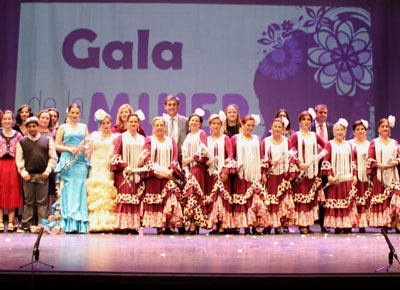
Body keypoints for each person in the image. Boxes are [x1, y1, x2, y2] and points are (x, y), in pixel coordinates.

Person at [141, 116, 184, 234]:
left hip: (168, 175)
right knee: (157, 201)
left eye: (161, 125)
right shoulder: (149, 140)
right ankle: (159, 226)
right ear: (153, 127)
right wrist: (157, 172)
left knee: (171, 198)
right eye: (157, 125)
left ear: (165, 127)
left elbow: (175, 156)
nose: (159, 127)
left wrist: (171, 171)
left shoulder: (171, 140)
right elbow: (147, 157)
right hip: (154, 176)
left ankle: (169, 225)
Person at [15, 116, 58, 233]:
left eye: (34, 126)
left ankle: (41, 225)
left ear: (38, 127)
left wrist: (48, 171)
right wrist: (22, 172)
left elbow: (53, 157)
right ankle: (26, 225)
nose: (32, 129)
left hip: (42, 175)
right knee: (28, 201)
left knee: (42, 202)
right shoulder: (22, 142)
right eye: (29, 127)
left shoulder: (47, 140)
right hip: (28, 175)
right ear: (26, 128)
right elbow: (19, 159)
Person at [54, 103, 90, 233]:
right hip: (68, 161)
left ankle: (80, 224)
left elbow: (88, 143)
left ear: (80, 113)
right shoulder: (63, 127)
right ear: (68, 113)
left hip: (80, 162)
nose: (75, 115)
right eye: (72, 113)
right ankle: (68, 223)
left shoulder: (84, 127)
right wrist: (69, 148)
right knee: (68, 191)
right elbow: (57, 145)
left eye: (77, 113)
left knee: (80, 190)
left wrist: (85, 147)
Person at [290, 110, 326, 234]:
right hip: (301, 173)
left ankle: (307, 223)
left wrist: (319, 157)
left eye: (308, 119)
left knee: (310, 199)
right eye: (304, 119)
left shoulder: (314, 136)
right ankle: (302, 224)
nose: (306, 122)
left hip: (312, 172)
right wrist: (300, 163)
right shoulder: (296, 136)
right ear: (299, 122)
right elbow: (290, 152)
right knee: (301, 199)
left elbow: (327, 147)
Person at [111, 112, 146, 234]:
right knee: (125, 198)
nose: (133, 124)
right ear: (127, 123)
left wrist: (142, 162)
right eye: (131, 121)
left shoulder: (142, 139)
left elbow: (146, 156)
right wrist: (125, 166)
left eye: (135, 122)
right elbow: (116, 155)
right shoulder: (121, 137)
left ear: (138, 123)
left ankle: (133, 225)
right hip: (125, 173)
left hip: (137, 173)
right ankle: (123, 225)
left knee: (135, 199)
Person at [321, 118, 358, 234]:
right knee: (336, 201)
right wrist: (329, 176)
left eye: (342, 130)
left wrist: (355, 176)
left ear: (345, 131)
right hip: (335, 180)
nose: (340, 132)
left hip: (347, 179)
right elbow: (326, 161)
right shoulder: (329, 144)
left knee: (347, 202)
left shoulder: (349, 145)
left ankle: (346, 224)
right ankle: (337, 225)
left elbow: (353, 161)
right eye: (337, 130)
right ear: (334, 131)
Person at [231, 115, 266, 235]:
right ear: (242, 124)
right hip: (242, 174)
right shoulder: (236, 138)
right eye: (248, 125)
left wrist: (264, 173)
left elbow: (262, 157)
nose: (250, 128)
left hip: (255, 174)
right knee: (243, 200)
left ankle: (255, 225)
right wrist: (236, 165)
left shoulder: (257, 139)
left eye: (252, 126)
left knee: (254, 201)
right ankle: (245, 225)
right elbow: (231, 156)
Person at [261, 118, 295, 234]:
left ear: (283, 129)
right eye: (275, 126)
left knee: (281, 201)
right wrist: (266, 168)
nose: (276, 129)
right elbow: (262, 159)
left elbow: (291, 159)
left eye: (279, 127)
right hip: (270, 176)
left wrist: (291, 174)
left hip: (283, 176)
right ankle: (268, 224)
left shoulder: (287, 141)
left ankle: (278, 224)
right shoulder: (265, 141)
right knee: (269, 201)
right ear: (271, 127)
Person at [86, 109, 117, 232]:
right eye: (103, 123)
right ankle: (94, 222)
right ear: (100, 124)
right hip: (95, 165)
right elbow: (89, 151)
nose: (106, 125)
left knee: (106, 192)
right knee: (95, 193)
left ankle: (107, 222)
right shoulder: (94, 135)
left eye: (108, 122)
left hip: (107, 167)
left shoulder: (115, 137)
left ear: (111, 123)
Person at [367, 117, 400, 231]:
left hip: (393, 174)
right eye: (383, 127)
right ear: (378, 129)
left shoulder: (394, 143)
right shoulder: (374, 143)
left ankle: (397, 223)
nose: (385, 128)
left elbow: (399, 158)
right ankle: (386, 223)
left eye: (387, 126)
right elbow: (370, 159)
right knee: (384, 200)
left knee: (396, 197)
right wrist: (380, 165)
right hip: (380, 176)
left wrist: (395, 162)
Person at [205, 112, 236, 234]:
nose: (216, 125)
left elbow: (230, 155)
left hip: (222, 174)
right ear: (210, 125)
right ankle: (215, 224)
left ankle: (224, 224)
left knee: (223, 198)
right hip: (211, 173)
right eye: (214, 123)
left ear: (221, 125)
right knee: (213, 198)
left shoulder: (225, 138)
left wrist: (225, 171)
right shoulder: (207, 140)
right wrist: (206, 161)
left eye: (218, 123)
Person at [181, 108, 208, 234]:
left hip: (198, 168)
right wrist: (185, 163)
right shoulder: (188, 136)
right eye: (192, 120)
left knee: (194, 195)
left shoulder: (201, 133)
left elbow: (204, 151)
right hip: (189, 168)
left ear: (200, 123)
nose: (194, 123)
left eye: (196, 121)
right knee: (190, 195)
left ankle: (194, 224)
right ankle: (192, 222)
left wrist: (190, 159)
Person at [0, 111, 23, 232]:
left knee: (12, 192)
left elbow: (21, 152)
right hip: (0, 165)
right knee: (0, 192)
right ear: (2, 120)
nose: (7, 121)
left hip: (13, 166)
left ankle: (10, 221)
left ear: (13, 120)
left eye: (9, 119)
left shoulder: (18, 135)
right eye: (5, 119)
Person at [349, 120, 371, 233]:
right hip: (353, 176)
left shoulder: (370, 144)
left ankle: (362, 224)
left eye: (362, 129)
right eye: (357, 129)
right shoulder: (349, 144)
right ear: (354, 131)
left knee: (365, 198)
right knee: (353, 199)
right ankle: (351, 222)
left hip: (366, 176)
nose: (360, 131)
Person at [163, 95, 189, 165]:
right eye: (169, 105)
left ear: (178, 106)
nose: (172, 107)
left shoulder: (185, 121)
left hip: (181, 159)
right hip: (164, 157)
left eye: (174, 105)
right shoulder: (160, 121)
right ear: (165, 106)